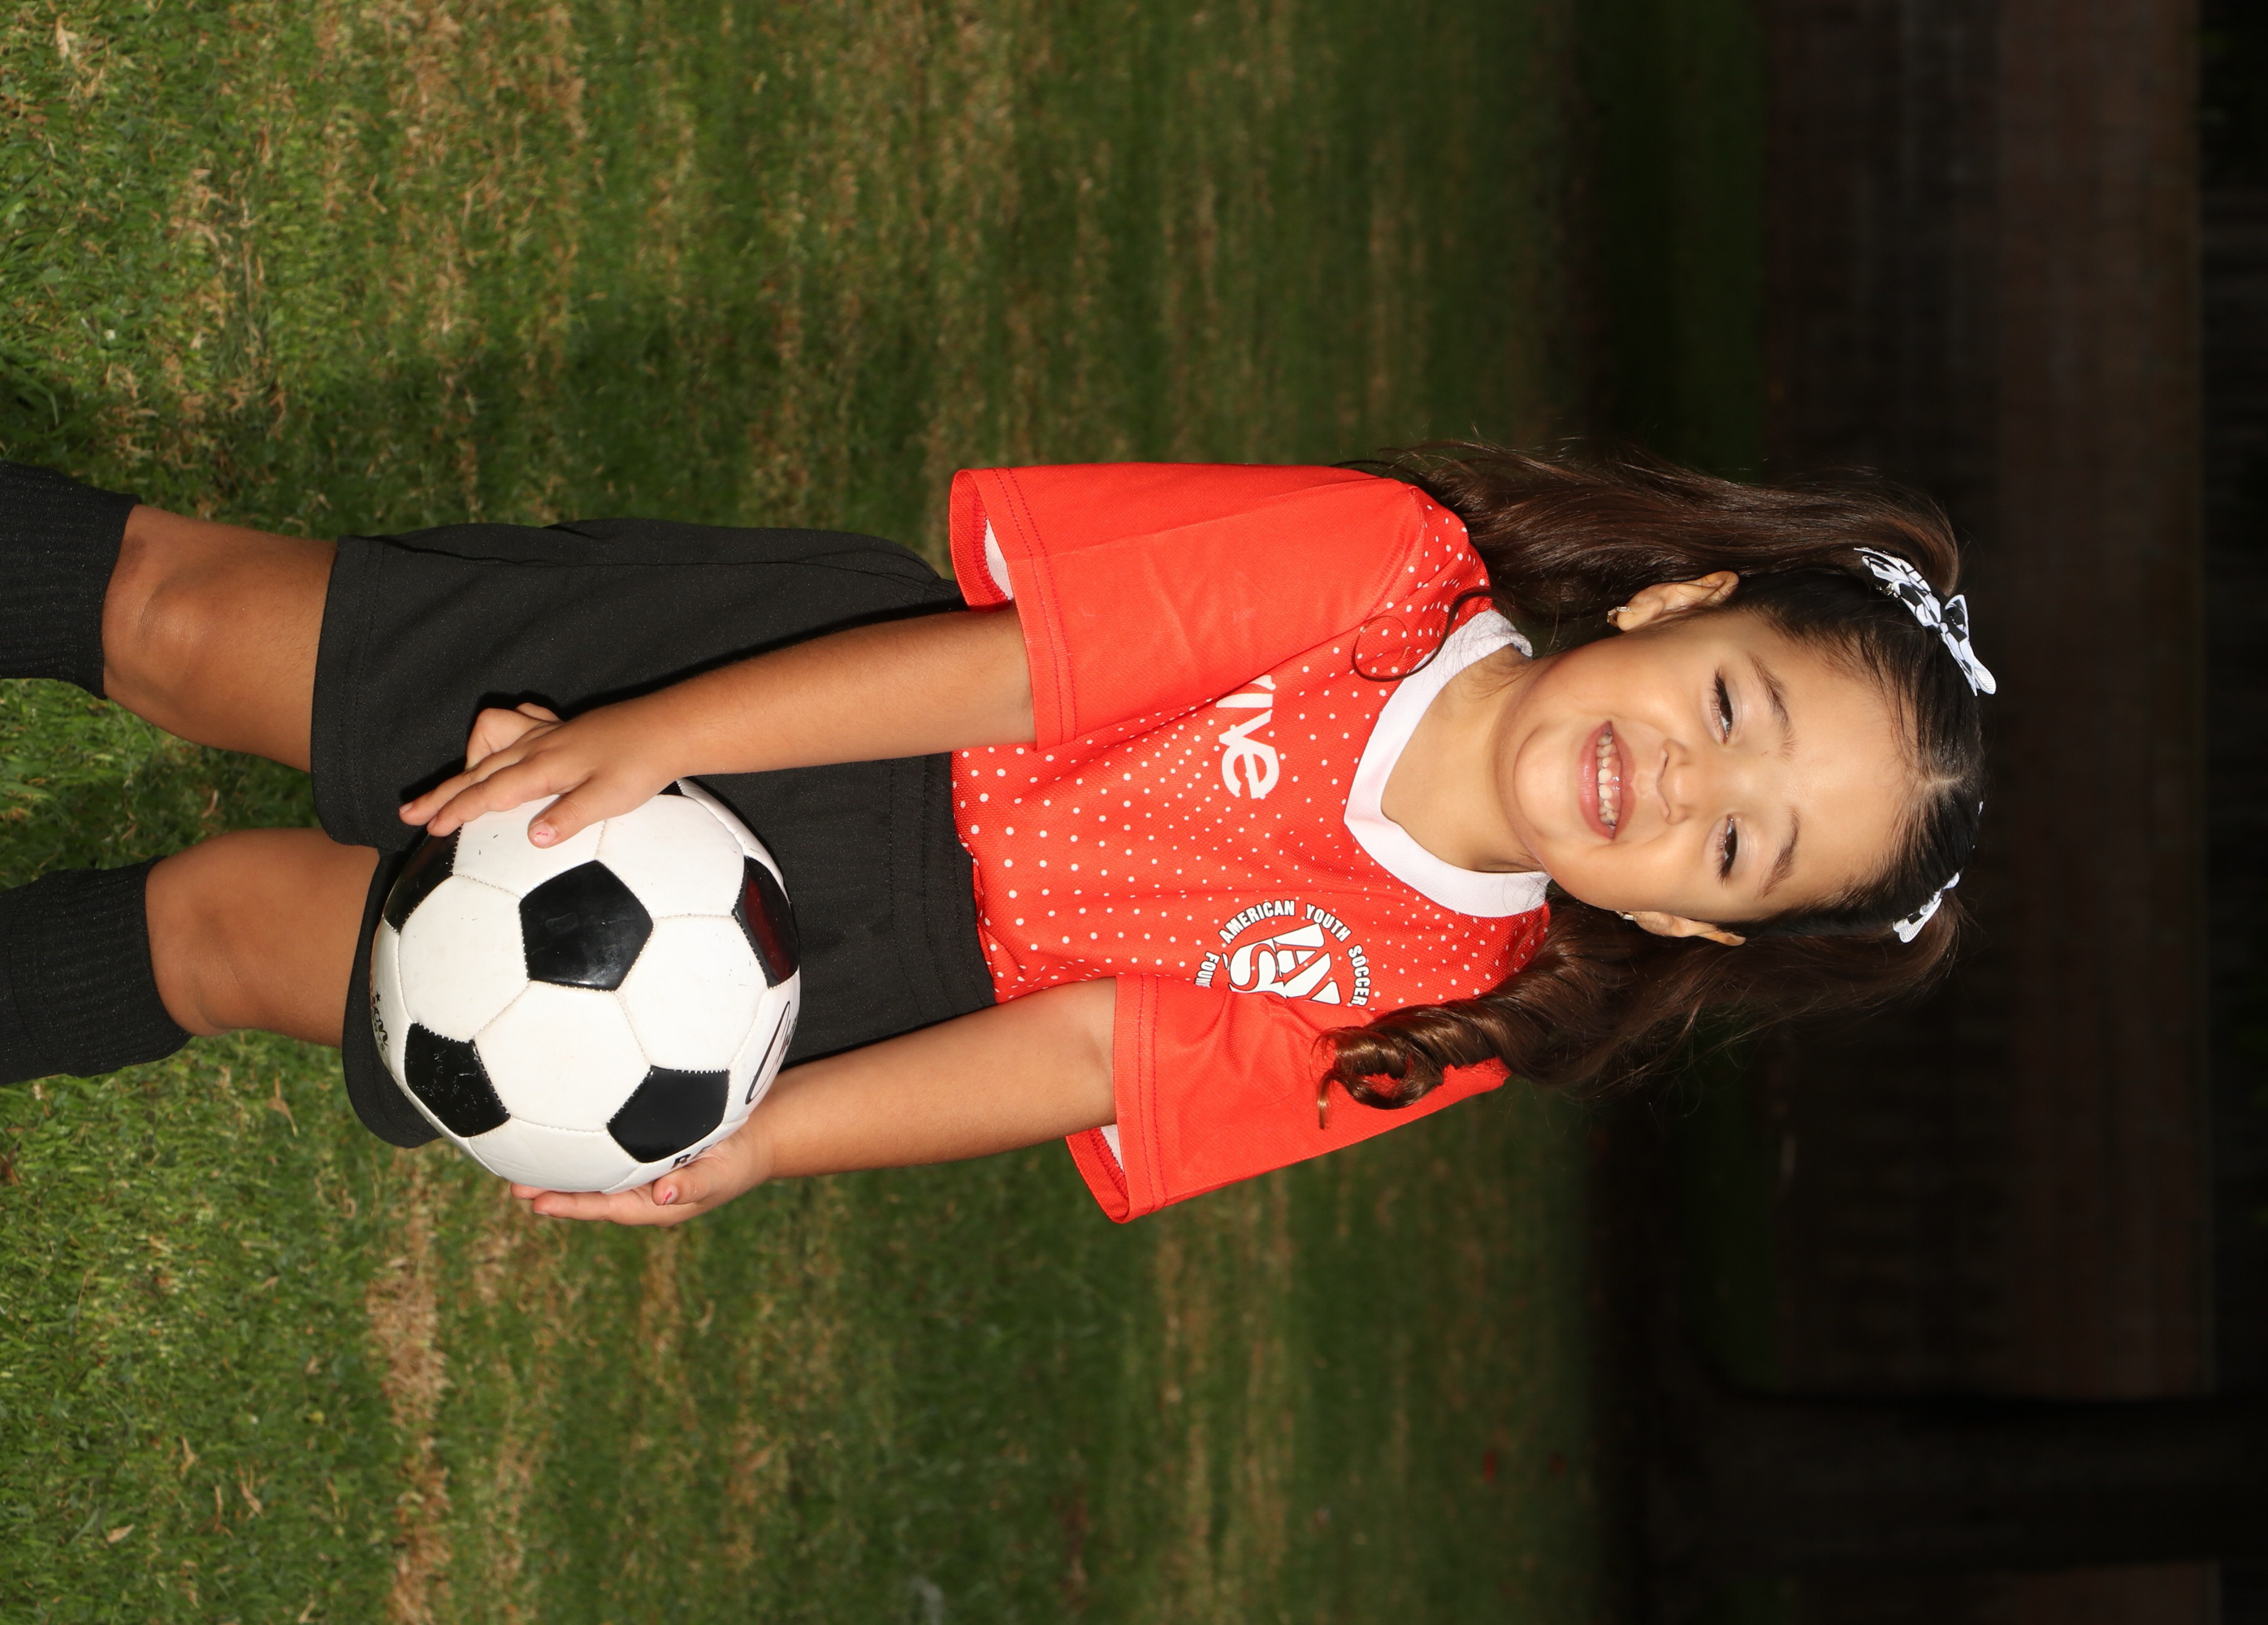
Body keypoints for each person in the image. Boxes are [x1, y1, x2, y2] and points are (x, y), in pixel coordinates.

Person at [0, 447, 1989, 1226]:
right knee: (186, 626)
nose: (1689, 786)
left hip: (838, 980)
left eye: (1741, 852)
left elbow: (1083, 1052)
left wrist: (754, 1137)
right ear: (1675, 604)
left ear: (1701, 930)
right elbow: (1013, 674)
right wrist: (639, 737)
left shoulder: (1443, 1006)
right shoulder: (1382, 572)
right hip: (806, 697)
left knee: (229, 935)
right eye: (1734, 710)